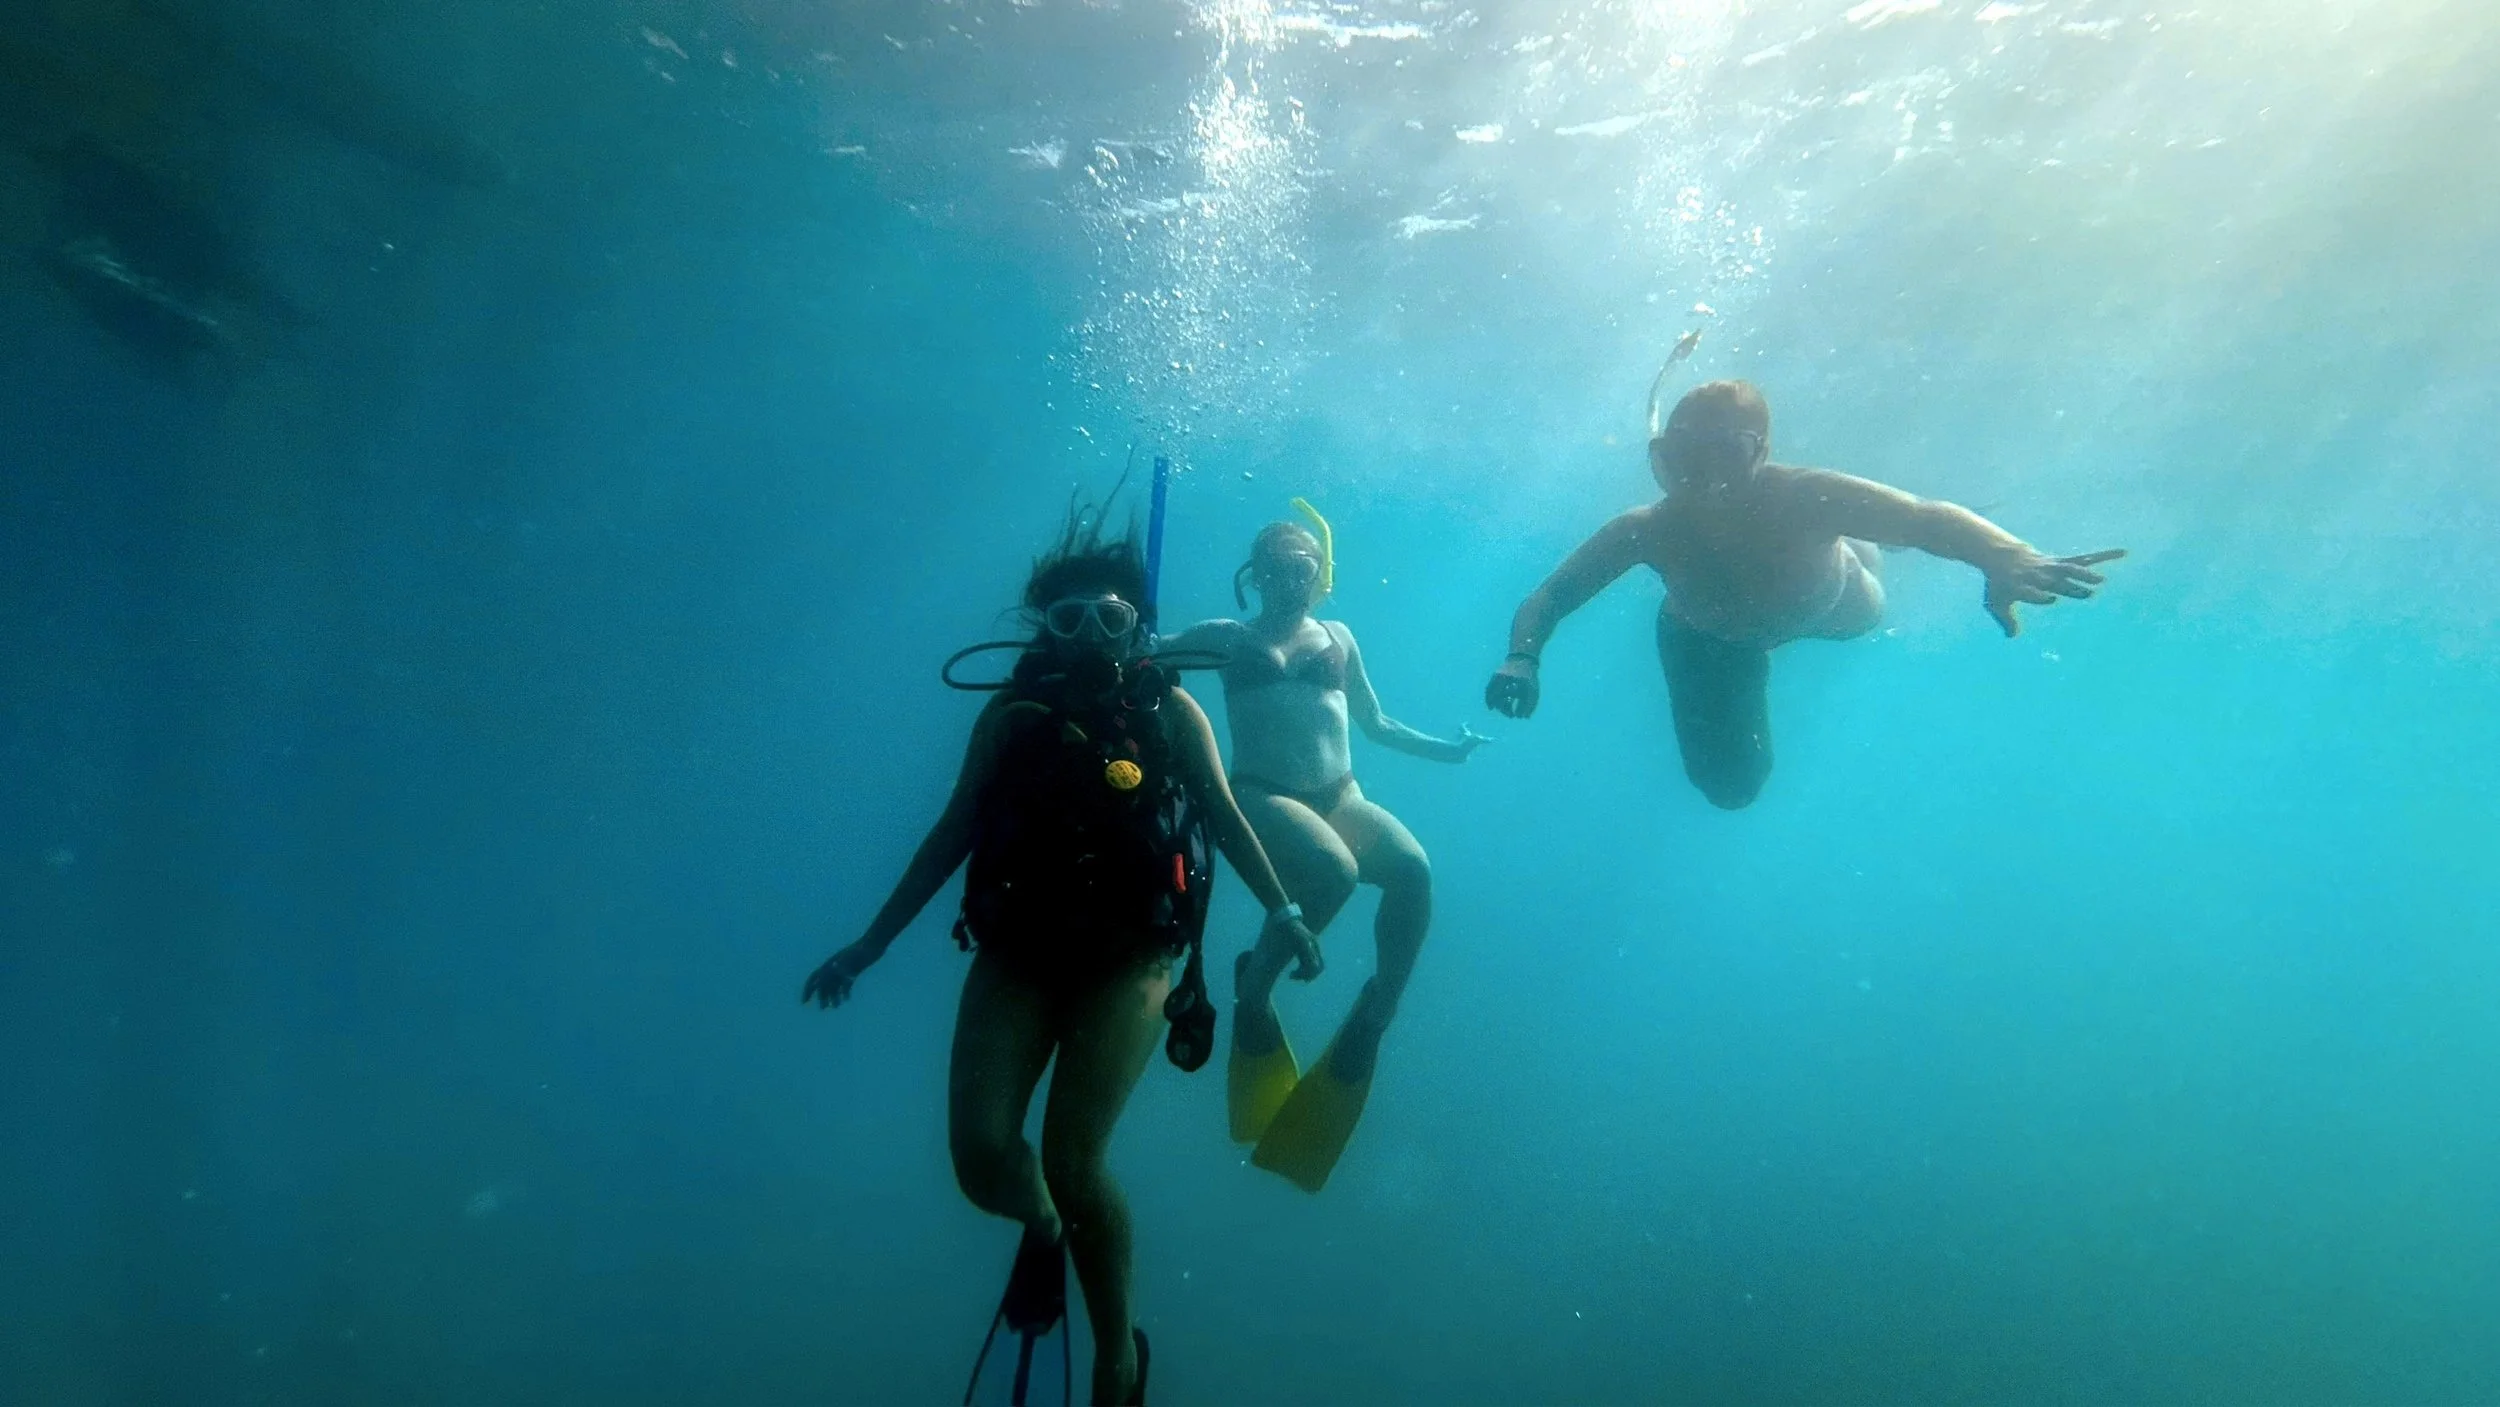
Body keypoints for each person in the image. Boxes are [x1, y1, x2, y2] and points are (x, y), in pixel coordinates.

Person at [801, 511, 1321, 1405]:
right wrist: (869, 944)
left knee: (1075, 1161)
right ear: (1045, 629)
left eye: (1111, 619)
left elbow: (1226, 816)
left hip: (1133, 958)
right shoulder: (1012, 715)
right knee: (979, 1157)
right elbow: (952, 833)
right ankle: (1040, 1228)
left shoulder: (1172, 710)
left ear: (1137, 629)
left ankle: (1118, 1362)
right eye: (1068, 620)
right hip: (1019, 953)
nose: (1089, 637)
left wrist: (1286, 910)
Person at [1487, 378, 2123, 808]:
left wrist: (2007, 556)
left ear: (1759, 452)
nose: (1701, 474)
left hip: (1837, 606)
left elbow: (1927, 518)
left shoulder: (1805, 495)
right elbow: (1551, 596)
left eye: (1721, 454)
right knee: (1730, 789)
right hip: (1709, 639)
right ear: (1663, 456)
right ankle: (1860, 544)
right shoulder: (1646, 529)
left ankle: (1868, 541)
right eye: (1682, 455)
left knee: (1885, 539)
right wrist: (1522, 657)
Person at [1159, 502, 1485, 1193]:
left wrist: (1447, 751)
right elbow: (1147, 652)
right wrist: (1125, 643)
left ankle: (1377, 1011)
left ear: (1321, 573)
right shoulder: (1224, 637)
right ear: (1253, 577)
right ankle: (1254, 992)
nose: (1287, 579)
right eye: (1273, 569)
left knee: (1413, 870)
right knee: (1334, 871)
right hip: (1261, 795)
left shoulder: (1340, 635)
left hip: (1342, 794)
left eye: (1300, 567)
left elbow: (1376, 721)